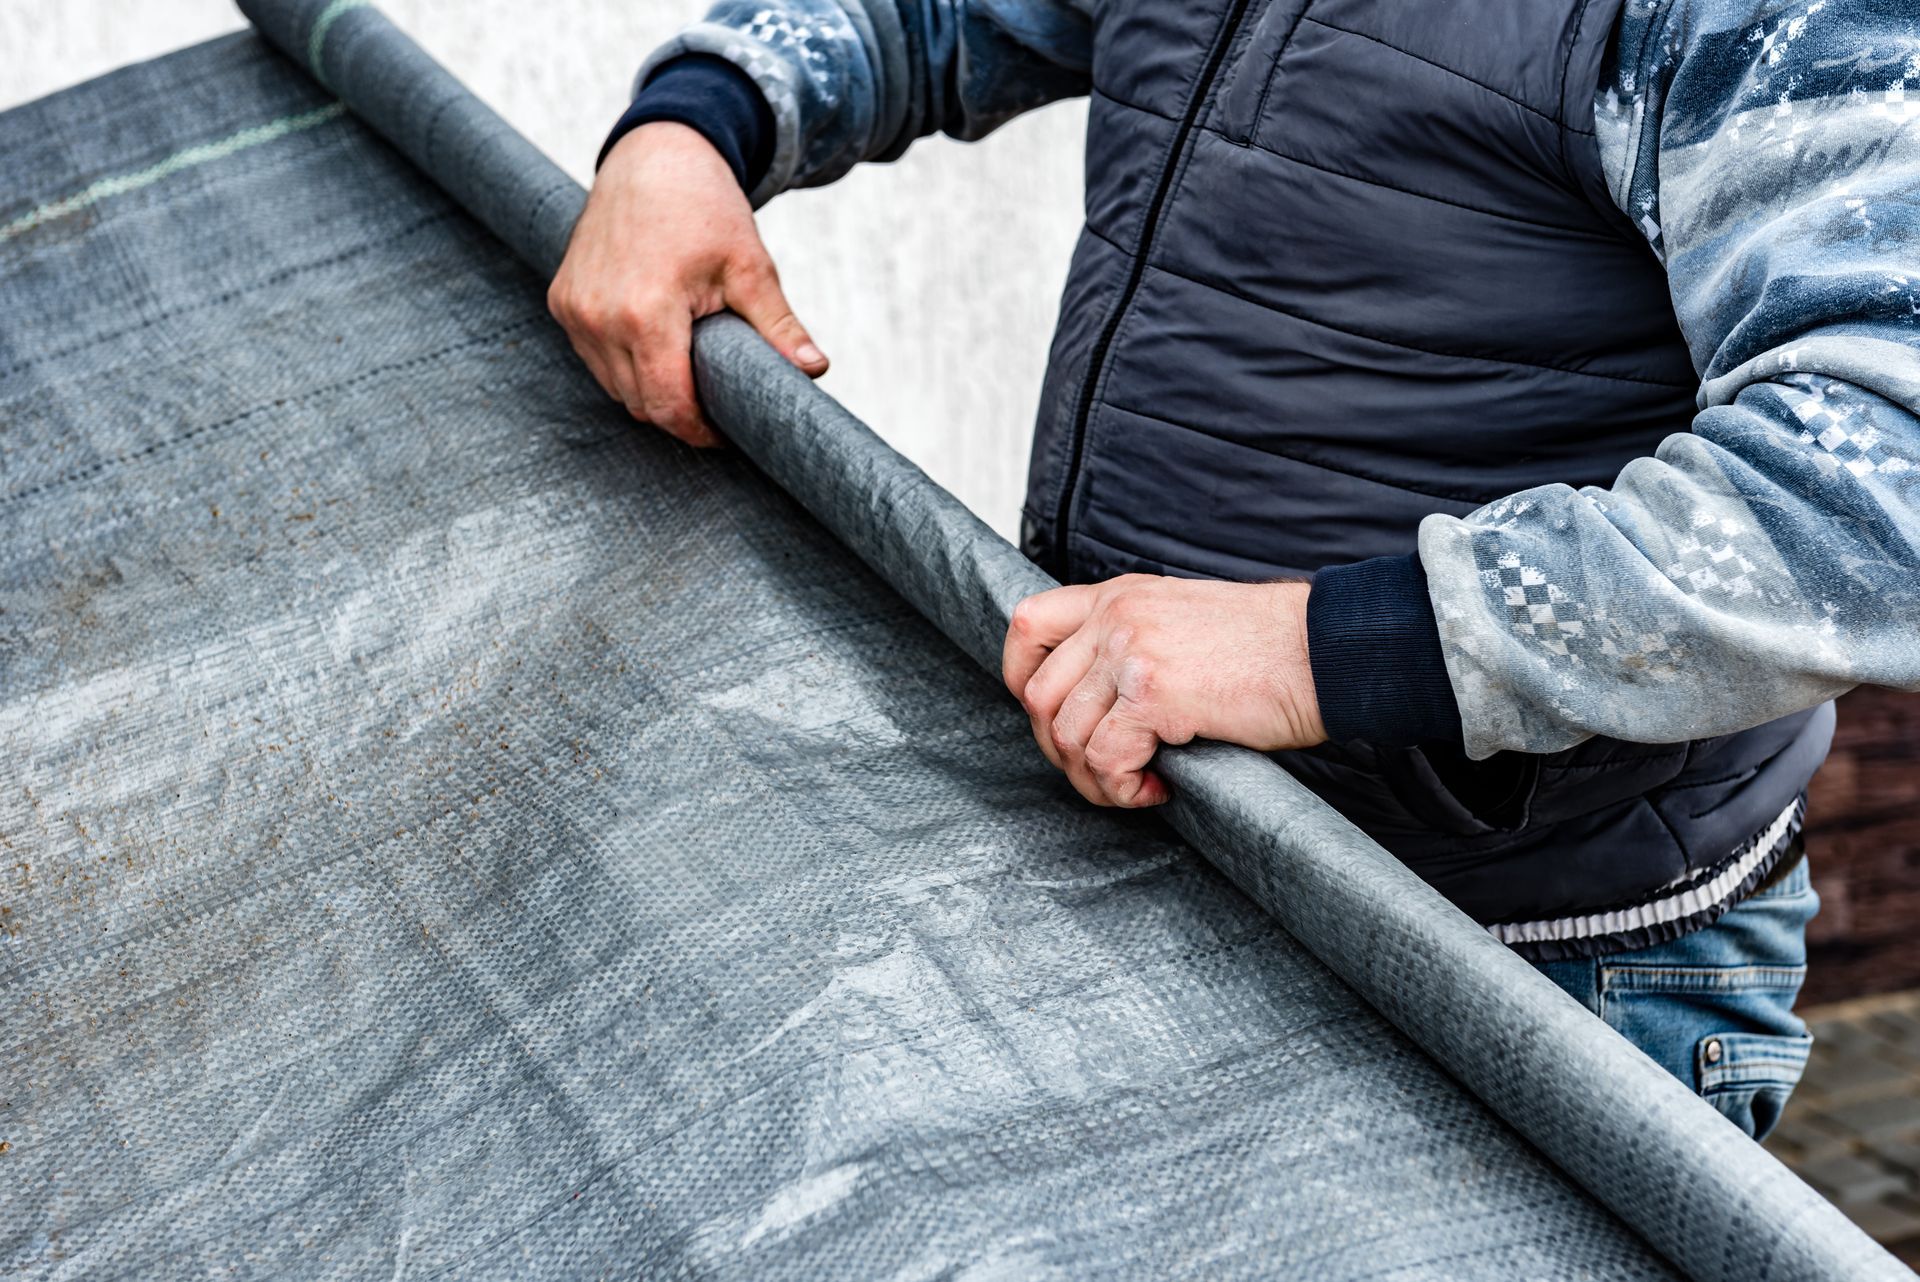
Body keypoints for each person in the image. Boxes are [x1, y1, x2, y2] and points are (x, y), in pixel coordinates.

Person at [548, 0, 1920, 1139]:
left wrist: (1309, 650)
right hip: (1177, 846)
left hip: (1539, 975)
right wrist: (696, 123)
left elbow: (1881, 493)